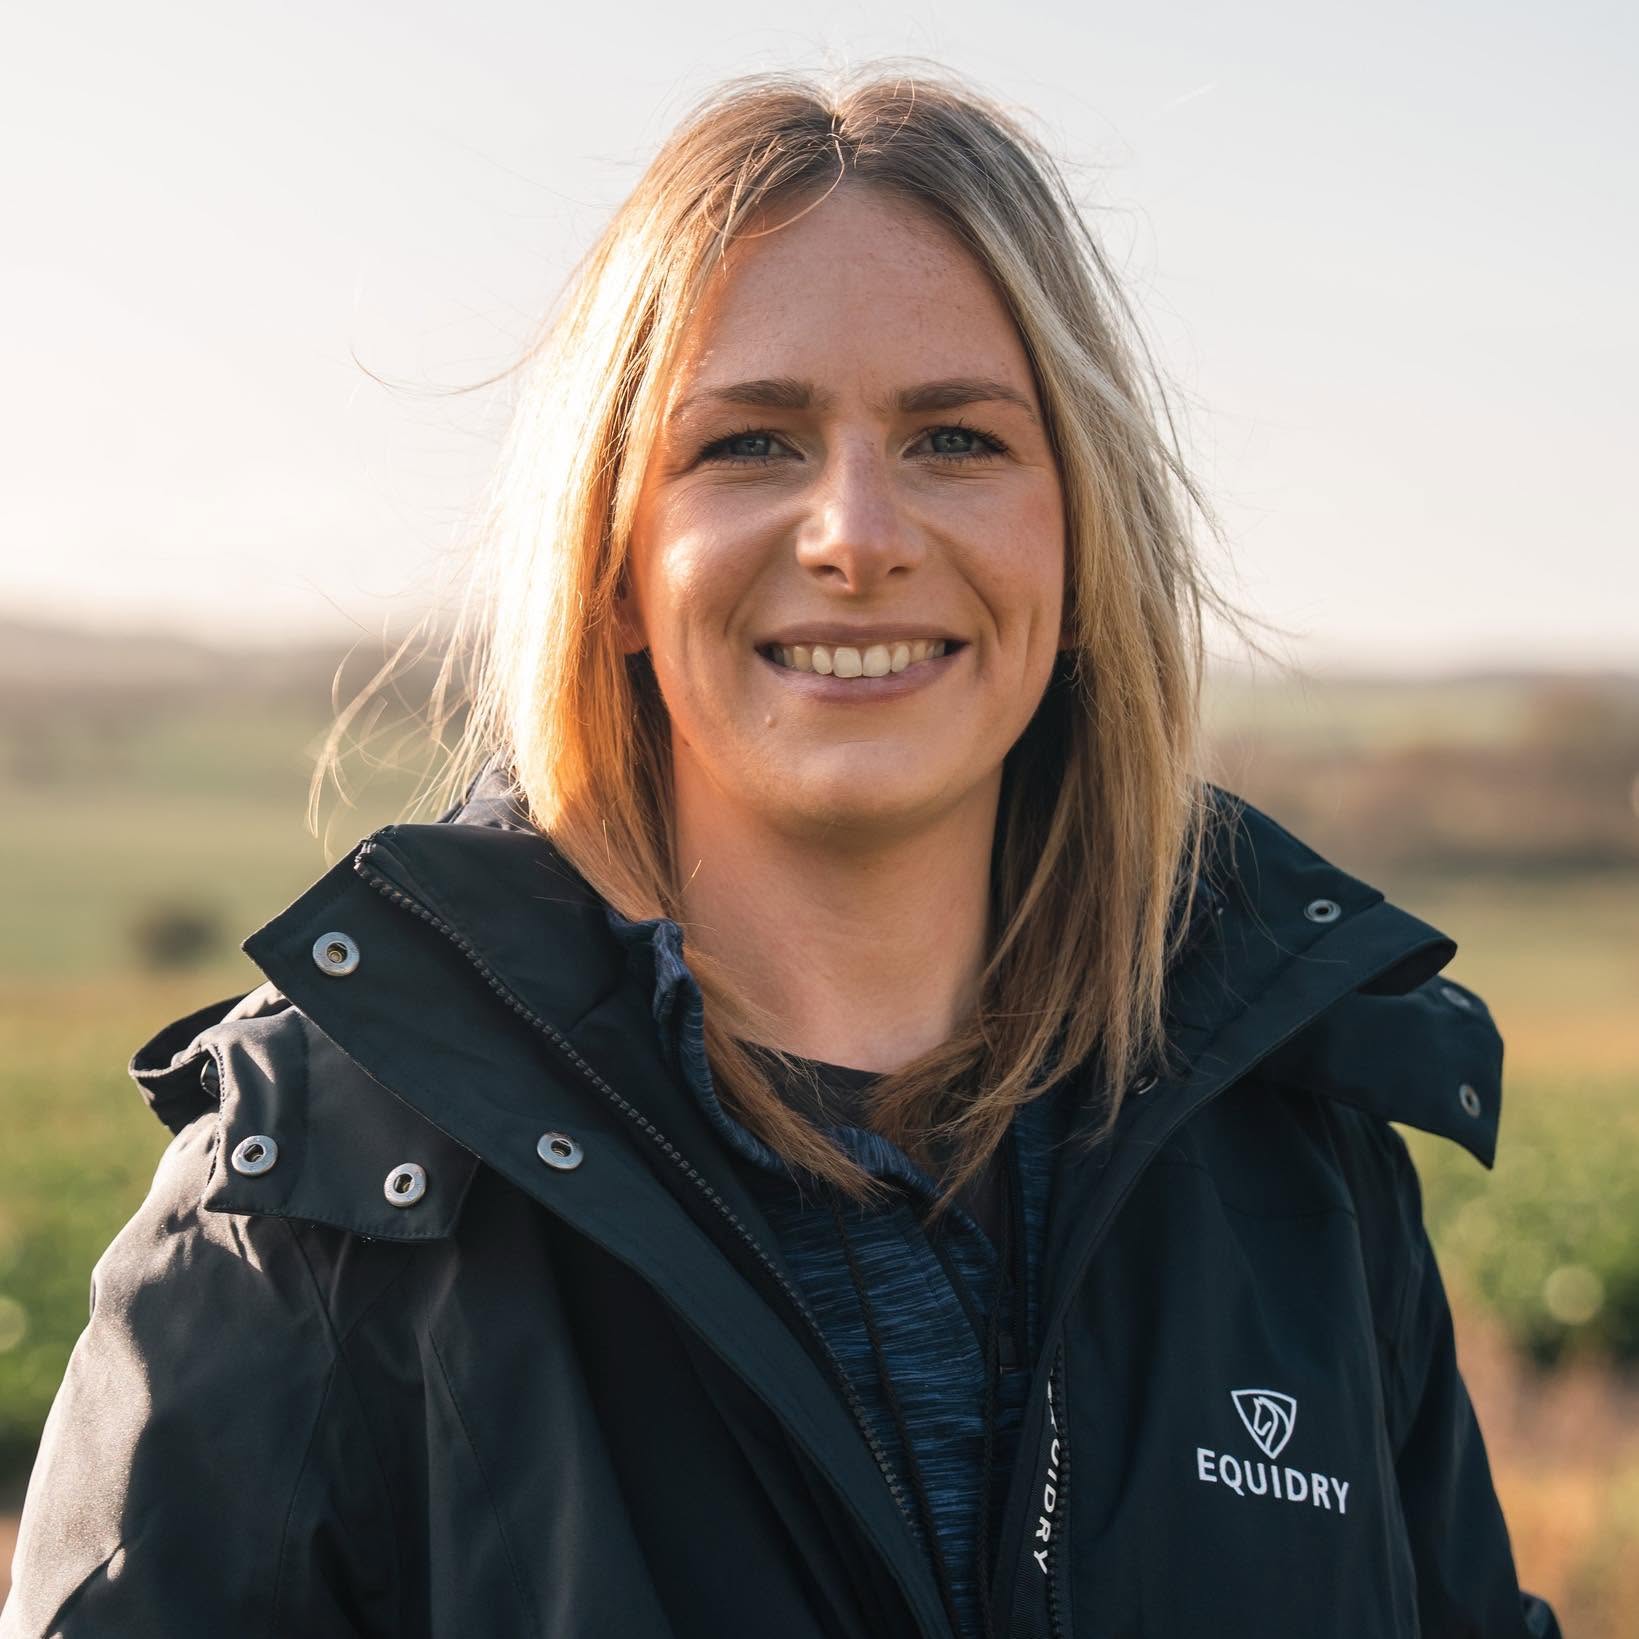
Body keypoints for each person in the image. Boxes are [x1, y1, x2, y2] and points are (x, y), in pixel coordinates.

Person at [2, 66, 1558, 1639]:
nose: (858, 534)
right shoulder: (321, 1198)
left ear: (1081, 542)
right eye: (751, 445)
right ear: (611, 559)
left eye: (957, 438)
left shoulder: (1298, 1163)